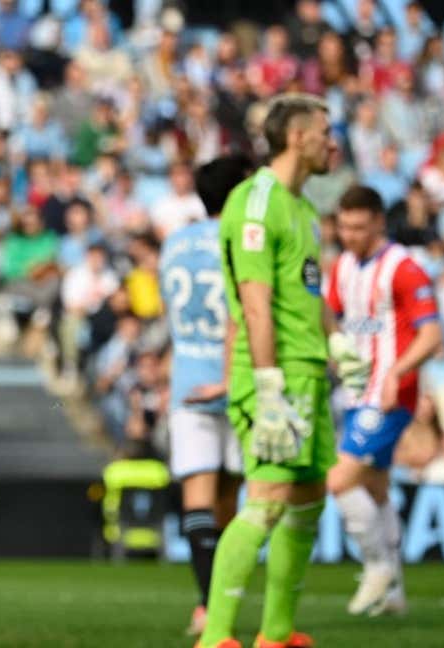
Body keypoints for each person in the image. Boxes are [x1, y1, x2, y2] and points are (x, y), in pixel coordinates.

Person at [197, 94, 343, 648]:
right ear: (298, 137)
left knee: (307, 501)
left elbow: (308, 294)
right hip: (273, 375)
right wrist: (268, 386)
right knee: (265, 501)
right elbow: (254, 303)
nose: (334, 143)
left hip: (308, 371)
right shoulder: (256, 201)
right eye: (326, 132)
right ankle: (215, 637)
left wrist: (340, 345)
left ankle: (275, 634)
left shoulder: (303, 207)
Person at [323, 185, 442, 617]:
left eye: (357, 226)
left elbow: (432, 335)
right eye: (343, 226)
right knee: (375, 488)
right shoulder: (342, 267)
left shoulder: (405, 269)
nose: (349, 234)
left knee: (339, 480)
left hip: (391, 393)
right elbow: (330, 316)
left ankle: (376, 568)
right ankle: (395, 594)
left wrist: (398, 371)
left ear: (377, 221)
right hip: (356, 392)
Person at [159, 154, 254, 637]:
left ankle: (205, 605)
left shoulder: (174, 243)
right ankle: (221, 601)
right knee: (232, 498)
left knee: (197, 496)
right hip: (237, 376)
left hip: (187, 378)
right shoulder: (245, 239)